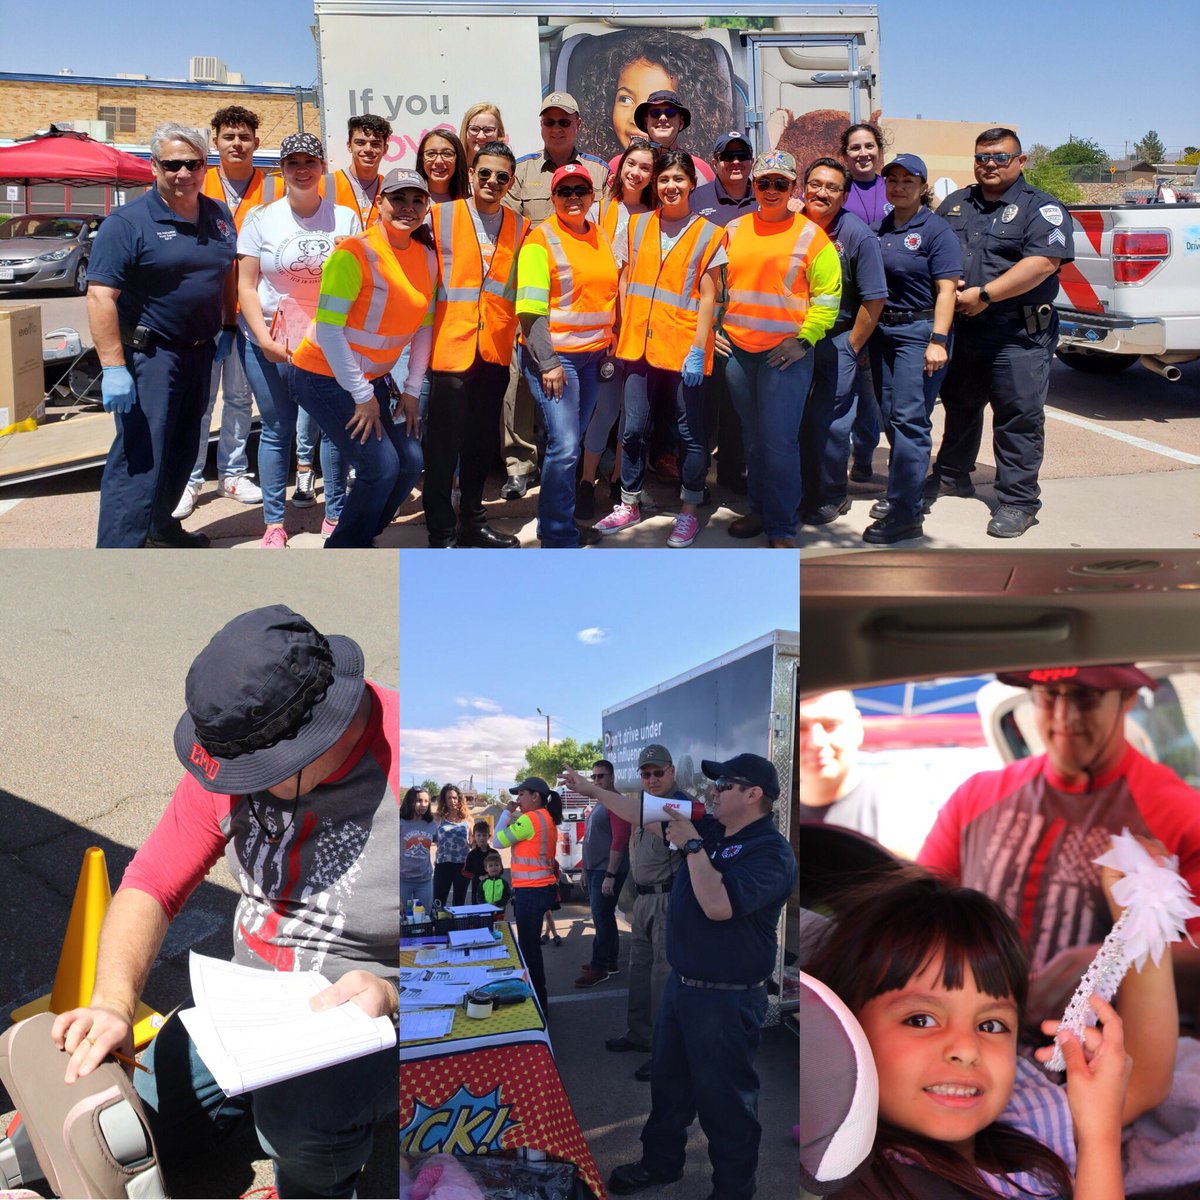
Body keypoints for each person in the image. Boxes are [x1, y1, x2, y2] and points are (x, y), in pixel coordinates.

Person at [50, 604, 400, 1198]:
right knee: (124, 1114)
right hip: (250, 1004)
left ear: (321, 736)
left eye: (260, 772)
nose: (239, 787)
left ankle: (321, 1182)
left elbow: (485, 952)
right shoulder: (242, 743)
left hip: (368, 1014)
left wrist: (393, 993)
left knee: (304, 1116)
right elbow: (153, 881)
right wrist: (112, 1002)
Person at [806, 867, 1174, 1200]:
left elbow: (1139, 1082)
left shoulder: (1019, 1112)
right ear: (846, 1029)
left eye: (991, 1025)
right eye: (921, 1020)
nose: (967, 1049)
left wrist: (1143, 907)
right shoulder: (869, 1185)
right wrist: (1100, 1142)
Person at [564, 752, 797, 1199]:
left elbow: (719, 905)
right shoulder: (709, 824)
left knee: (727, 1106)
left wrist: (691, 846)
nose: (713, 791)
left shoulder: (770, 852)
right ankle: (661, 1163)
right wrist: (593, 791)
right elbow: (640, 811)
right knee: (669, 1090)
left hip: (726, 1000)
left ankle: (733, 1191)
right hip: (684, 987)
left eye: (725, 784)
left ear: (753, 795)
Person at [918, 663, 1200, 1031]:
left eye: (1086, 697)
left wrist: (1115, 964)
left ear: (1127, 697)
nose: (1064, 716)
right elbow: (919, 911)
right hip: (974, 1035)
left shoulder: (1179, 813)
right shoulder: (977, 796)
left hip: (1105, 1052)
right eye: (1049, 696)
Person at [89, 122, 237, 549]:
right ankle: (119, 552)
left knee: (182, 450)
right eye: (172, 164)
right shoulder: (128, 223)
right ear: (154, 166)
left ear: (205, 166)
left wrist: (227, 326)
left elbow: (224, 271)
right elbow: (100, 296)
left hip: (199, 352)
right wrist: (113, 367)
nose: (182, 173)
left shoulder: (217, 214)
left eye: (192, 163)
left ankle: (161, 526)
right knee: (140, 457)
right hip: (150, 356)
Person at [928, 127, 1075, 539]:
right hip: (965, 329)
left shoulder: (1040, 208)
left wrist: (986, 295)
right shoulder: (956, 204)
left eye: (999, 157)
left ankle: (1018, 501)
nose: (989, 165)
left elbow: (1044, 262)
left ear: (1020, 161)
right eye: (981, 157)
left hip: (1018, 334)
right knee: (959, 405)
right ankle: (952, 474)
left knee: (1017, 416)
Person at [288, 168, 434, 547]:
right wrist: (362, 396)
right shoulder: (353, 254)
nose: (408, 207)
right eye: (398, 199)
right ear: (380, 203)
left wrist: (413, 390)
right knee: (379, 466)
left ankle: (364, 534)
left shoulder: (427, 258)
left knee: (410, 461)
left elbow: (423, 329)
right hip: (322, 376)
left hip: (372, 381)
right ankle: (344, 547)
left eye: (417, 200)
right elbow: (330, 330)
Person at [234, 132, 360, 548]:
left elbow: (360, 283)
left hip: (326, 342)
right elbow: (246, 287)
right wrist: (262, 339)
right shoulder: (259, 219)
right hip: (271, 340)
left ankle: (335, 513)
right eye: (293, 163)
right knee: (276, 428)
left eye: (310, 162)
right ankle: (274, 522)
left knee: (332, 427)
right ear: (282, 170)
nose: (302, 170)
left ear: (322, 167)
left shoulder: (345, 219)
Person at [594, 151, 726, 548]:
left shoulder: (709, 233)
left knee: (689, 432)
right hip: (637, 346)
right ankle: (629, 501)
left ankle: (689, 509)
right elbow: (620, 282)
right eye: (664, 179)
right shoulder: (634, 228)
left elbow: (709, 296)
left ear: (691, 184)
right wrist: (617, 329)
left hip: (683, 347)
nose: (670, 186)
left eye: (678, 180)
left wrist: (700, 349)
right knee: (633, 429)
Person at [722, 149, 841, 549]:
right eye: (764, 182)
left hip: (784, 357)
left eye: (781, 184)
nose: (771, 190)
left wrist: (803, 340)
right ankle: (759, 509)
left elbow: (828, 299)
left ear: (793, 188)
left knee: (779, 442)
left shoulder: (811, 236)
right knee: (753, 438)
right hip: (739, 353)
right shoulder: (733, 230)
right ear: (753, 185)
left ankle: (782, 526)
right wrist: (715, 330)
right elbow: (715, 288)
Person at [501, 92, 609, 501]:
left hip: (590, 346)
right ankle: (542, 502)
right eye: (550, 122)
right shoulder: (525, 176)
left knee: (568, 440)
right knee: (550, 431)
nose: (558, 128)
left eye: (565, 121)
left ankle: (558, 513)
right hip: (545, 329)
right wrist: (546, 358)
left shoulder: (598, 179)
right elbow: (507, 227)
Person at [424, 140, 528, 548]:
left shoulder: (520, 226)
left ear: (511, 181)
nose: (492, 181)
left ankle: (473, 521)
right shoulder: (439, 216)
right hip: (450, 347)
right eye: (484, 173)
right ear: (471, 174)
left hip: (495, 350)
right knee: (442, 447)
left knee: (480, 445)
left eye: (501, 176)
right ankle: (441, 531)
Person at [173, 105, 272, 521]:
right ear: (214, 141)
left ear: (256, 142)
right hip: (204, 309)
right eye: (228, 136)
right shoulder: (197, 179)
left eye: (244, 137)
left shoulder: (273, 187)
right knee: (198, 399)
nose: (237, 143)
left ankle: (231, 473)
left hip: (249, 310)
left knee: (238, 396)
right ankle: (189, 479)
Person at [290, 115, 394, 508]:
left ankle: (347, 480)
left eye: (375, 143)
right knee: (315, 403)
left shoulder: (389, 189)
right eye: (361, 142)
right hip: (324, 306)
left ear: (385, 148)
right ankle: (304, 471)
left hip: (368, 310)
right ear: (349, 146)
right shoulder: (326, 183)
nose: (368, 149)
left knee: (346, 406)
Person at [515, 161, 619, 548]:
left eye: (581, 191)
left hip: (593, 359)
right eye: (565, 192)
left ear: (592, 195)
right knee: (563, 445)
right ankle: (558, 534)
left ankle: (559, 523)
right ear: (553, 197)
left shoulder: (602, 236)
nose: (574, 198)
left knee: (570, 445)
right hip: (557, 360)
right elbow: (530, 311)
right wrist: (549, 363)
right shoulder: (539, 241)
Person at [861, 153, 961, 546]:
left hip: (919, 334)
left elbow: (947, 289)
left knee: (909, 420)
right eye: (893, 180)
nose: (899, 186)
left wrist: (938, 339)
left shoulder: (936, 231)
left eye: (908, 180)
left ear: (923, 187)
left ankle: (906, 514)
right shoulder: (880, 227)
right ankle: (903, 494)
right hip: (883, 333)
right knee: (891, 417)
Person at [585, 745, 687, 1079]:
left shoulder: (678, 805)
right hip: (643, 898)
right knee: (640, 971)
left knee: (662, 978)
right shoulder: (643, 804)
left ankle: (664, 1053)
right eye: (646, 774)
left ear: (671, 771)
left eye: (659, 772)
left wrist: (594, 789)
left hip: (666, 900)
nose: (653, 779)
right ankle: (640, 1035)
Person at [797, 158, 886, 528]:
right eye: (815, 184)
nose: (821, 193)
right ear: (804, 188)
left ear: (845, 195)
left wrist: (851, 345)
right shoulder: (792, 224)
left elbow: (874, 298)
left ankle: (832, 494)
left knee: (831, 422)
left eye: (832, 188)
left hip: (836, 340)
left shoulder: (856, 235)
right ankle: (801, 489)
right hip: (793, 338)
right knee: (796, 418)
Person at [576, 137, 657, 520]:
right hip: (604, 325)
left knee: (632, 416)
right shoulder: (600, 209)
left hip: (641, 328)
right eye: (631, 164)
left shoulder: (658, 215)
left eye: (645, 167)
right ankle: (586, 480)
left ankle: (617, 477)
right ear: (619, 167)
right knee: (604, 410)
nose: (636, 172)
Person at [562, 27, 738, 166]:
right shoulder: (606, 173)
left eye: (658, 106)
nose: (636, 119)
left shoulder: (698, 171)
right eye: (625, 99)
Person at [838, 121, 891, 484]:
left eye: (869, 146)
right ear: (845, 156)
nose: (863, 154)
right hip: (850, 306)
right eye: (855, 148)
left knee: (873, 391)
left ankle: (865, 453)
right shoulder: (838, 192)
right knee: (847, 386)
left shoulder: (897, 188)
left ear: (879, 150)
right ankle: (834, 457)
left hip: (890, 304)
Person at [492, 777, 563, 1017]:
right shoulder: (546, 818)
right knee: (530, 947)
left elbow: (497, 841)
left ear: (536, 796)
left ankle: (538, 1004)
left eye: (522, 794)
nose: (518, 800)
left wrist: (505, 815)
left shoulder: (531, 818)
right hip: (540, 889)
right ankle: (538, 1000)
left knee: (529, 949)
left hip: (532, 892)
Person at [574, 759, 632, 988]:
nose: (597, 780)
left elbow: (619, 839)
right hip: (595, 869)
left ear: (612, 777)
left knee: (602, 918)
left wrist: (609, 875)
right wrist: (585, 871)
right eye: (594, 777)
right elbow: (591, 839)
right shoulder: (600, 801)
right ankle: (610, 962)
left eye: (602, 776)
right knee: (605, 917)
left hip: (607, 870)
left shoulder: (615, 802)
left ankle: (599, 968)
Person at [798, 690, 886, 840]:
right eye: (801, 727)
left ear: (857, 727)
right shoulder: (771, 812)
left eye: (830, 725)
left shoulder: (894, 809)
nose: (816, 742)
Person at [609, 89, 715, 184]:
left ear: (681, 122)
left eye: (670, 113)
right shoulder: (620, 164)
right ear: (646, 122)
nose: (663, 118)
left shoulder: (700, 168)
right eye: (655, 113)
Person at [691, 132, 757, 226]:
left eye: (743, 156)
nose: (736, 161)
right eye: (728, 157)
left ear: (752, 161)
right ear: (715, 163)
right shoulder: (694, 200)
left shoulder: (766, 197)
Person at [432, 784, 471, 907]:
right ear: (444, 799)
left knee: (459, 902)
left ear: (459, 799)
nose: (452, 801)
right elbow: (429, 838)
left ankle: (457, 925)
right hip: (443, 865)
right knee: (438, 901)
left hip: (462, 866)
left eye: (455, 798)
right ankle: (439, 926)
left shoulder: (468, 819)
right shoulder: (437, 818)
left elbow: (474, 842)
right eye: (448, 798)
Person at [400, 786, 435, 914]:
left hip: (424, 881)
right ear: (410, 802)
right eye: (419, 801)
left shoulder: (431, 824)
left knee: (423, 918)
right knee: (403, 920)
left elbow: (441, 842)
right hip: (403, 881)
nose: (423, 805)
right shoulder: (400, 822)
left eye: (426, 801)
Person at [416, 128, 470, 205]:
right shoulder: (409, 201)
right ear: (421, 159)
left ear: (458, 159)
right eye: (431, 154)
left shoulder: (471, 203)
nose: (439, 161)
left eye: (447, 154)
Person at [463, 820, 492, 904]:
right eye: (478, 835)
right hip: (477, 888)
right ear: (474, 836)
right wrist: (477, 876)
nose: (482, 838)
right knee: (477, 912)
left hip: (493, 888)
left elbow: (500, 870)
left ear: (489, 836)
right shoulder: (471, 855)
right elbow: (466, 872)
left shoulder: (493, 853)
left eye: (484, 835)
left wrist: (489, 875)